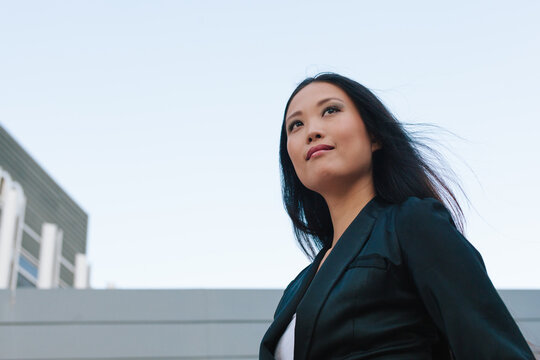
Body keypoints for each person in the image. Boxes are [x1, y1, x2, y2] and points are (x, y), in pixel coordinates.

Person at [258, 73, 536, 359]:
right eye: (296, 125)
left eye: (330, 110)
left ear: (374, 136)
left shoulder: (413, 222)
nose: (311, 131)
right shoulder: (294, 291)